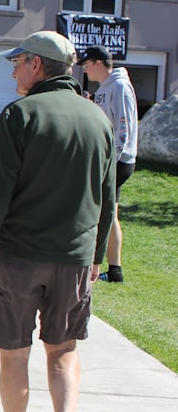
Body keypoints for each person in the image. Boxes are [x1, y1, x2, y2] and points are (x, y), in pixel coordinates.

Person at [0, 31, 115, 412]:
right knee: (63, 348)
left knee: (14, 353)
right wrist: (97, 257)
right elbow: (108, 198)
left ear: (37, 65)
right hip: (74, 259)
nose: (12, 71)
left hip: (19, 257)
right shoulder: (98, 119)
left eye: (17, 62)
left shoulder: (20, 115)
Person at [79, 44, 138, 284]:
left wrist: (110, 159)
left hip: (117, 161)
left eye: (86, 65)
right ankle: (114, 271)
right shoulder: (106, 87)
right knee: (110, 211)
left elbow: (123, 127)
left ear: (99, 63)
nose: (84, 71)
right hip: (110, 159)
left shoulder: (120, 86)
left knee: (104, 211)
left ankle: (101, 265)